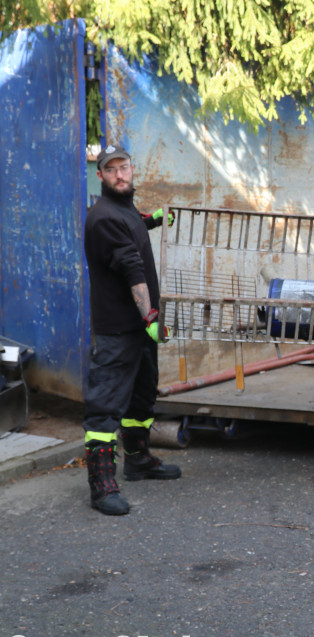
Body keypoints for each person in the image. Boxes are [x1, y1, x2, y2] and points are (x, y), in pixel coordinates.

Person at [82, 143, 182, 516]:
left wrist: (151, 220)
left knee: (141, 400)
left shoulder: (122, 210)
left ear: (132, 168)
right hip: (118, 331)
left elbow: (131, 224)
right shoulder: (103, 216)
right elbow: (130, 268)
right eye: (112, 170)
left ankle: (137, 459)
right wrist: (150, 318)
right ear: (101, 175)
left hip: (138, 330)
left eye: (124, 167)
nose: (120, 175)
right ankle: (101, 485)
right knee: (105, 407)